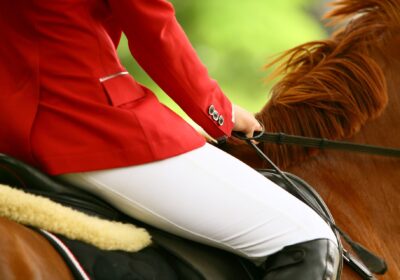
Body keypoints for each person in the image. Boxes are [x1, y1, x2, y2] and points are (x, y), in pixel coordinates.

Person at [0, 1, 340, 279]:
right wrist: (218, 110)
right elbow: (154, 28)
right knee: (309, 238)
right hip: (85, 126)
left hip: (13, 128)